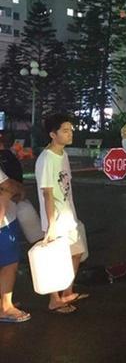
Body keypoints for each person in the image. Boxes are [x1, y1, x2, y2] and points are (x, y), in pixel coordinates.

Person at [35, 113, 89, 314]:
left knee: (76, 253)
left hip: (68, 215)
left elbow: (65, 187)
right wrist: (51, 225)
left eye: (70, 130)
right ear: (52, 134)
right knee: (56, 259)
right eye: (65, 131)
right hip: (55, 219)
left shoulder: (63, 155)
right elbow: (47, 194)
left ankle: (67, 292)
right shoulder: (47, 159)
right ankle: (54, 300)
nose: (70, 134)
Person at [0, 168, 30, 323]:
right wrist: (19, 189)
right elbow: (7, 185)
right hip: (3, 224)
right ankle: (5, 307)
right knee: (9, 263)